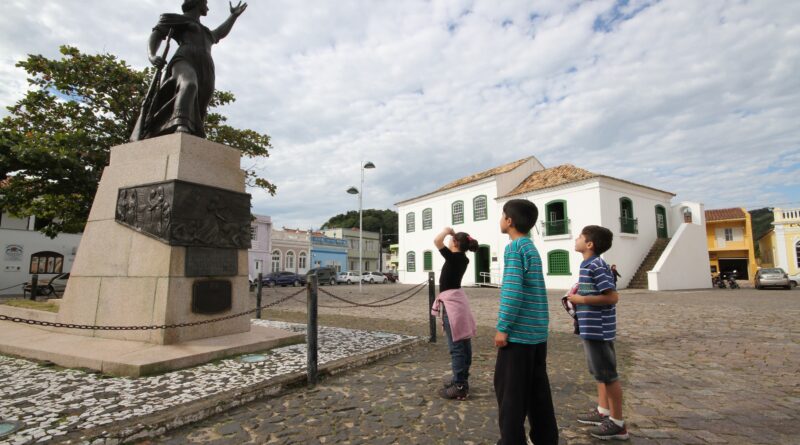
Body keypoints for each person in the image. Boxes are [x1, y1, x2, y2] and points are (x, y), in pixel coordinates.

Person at [131, 0, 248, 141]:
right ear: (197, 3)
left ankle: (195, 133)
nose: (208, 8)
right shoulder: (177, 19)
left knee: (201, 101)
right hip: (184, 58)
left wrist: (233, 16)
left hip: (206, 66)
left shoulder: (205, 31)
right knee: (189, 84)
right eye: (205, 3)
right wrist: (152, 55)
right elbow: (157, 33)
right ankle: (181, 124)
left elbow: (219, 34)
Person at [495, 199, 558, 445]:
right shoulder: (530, 247)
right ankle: (546, 439)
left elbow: (513, 291)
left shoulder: (514, 248)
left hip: (518, 336)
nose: (500, 219)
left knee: (510, 397)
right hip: (537, 335)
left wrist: (503, 327)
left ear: (509, 221)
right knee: (538, 393)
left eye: (502, 215)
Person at [568, 225, 629, 440]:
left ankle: (618, 423)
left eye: (580, 237)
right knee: (600, 373)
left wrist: (580, 299)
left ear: (589, 244)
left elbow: (612, 297)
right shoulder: (587, 264)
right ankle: (603, 411)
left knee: (609, 376)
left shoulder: (596, 265)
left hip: (600, 330)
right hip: (591, 328)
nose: (576, 239)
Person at [430, 227, 478, 400]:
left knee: (456, 347)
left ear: (456, 243)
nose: (449, 242)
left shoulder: (454, 257)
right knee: (464, 343)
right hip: (459, 304)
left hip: (453, 307)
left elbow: (437, 241)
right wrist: (454, 237)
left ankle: (459, 386)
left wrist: (447, 231)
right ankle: (462, 379)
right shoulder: (463, 259)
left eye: (452, 241)